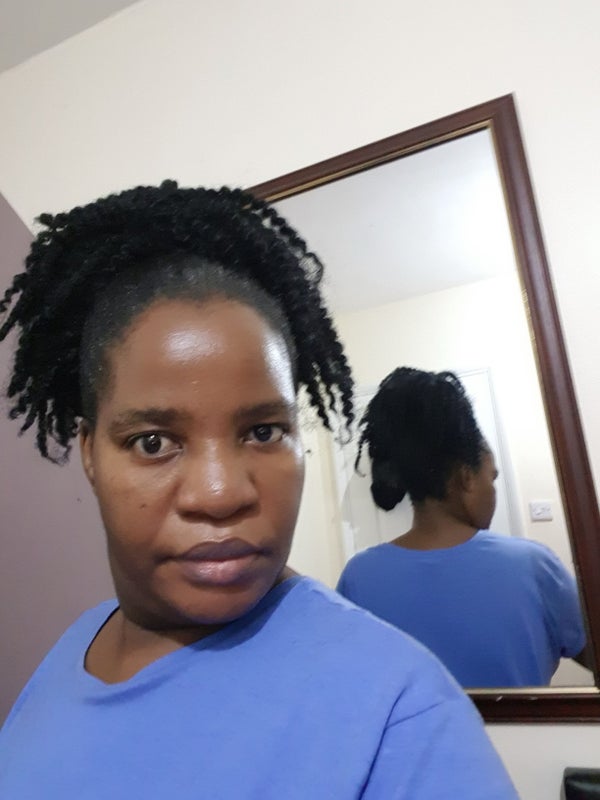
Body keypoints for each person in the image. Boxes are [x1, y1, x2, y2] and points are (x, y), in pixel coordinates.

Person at [0, 183, 517, 798]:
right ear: (89, 453)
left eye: (264, 431)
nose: (221, 495)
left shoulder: (398, 713)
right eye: (153, 442)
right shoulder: (69, 651)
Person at [337, 366, 587, 689]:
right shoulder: (534, 566)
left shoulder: (359, 578)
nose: (493, 489)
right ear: (466, 477)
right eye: (491, 477)